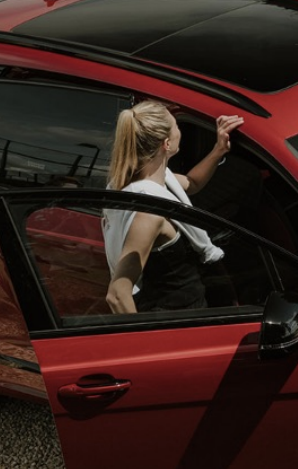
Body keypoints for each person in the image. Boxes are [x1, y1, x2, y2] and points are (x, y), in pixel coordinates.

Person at [102, 101, 244, 314]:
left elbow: (192, 183)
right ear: (166, 144)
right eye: (176, 125)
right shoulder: (149, 212)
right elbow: (117, 294)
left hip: (192, 306)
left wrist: (218, 150)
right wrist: (144, 344)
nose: (180, 129)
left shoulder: (159, 179)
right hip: (175, 319)